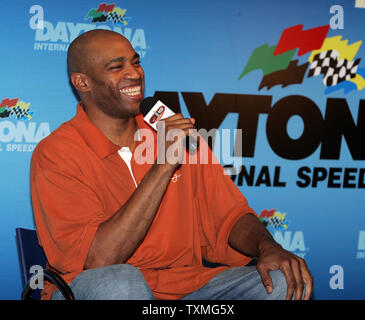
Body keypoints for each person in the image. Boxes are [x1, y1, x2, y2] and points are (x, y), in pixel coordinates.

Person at [30, 29, 313, 300]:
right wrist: (164, 165)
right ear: (83, 82)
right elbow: (100, 260)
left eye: (136, 62)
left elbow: (230, 216)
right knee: (121, 282)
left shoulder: (175, 135)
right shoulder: (57, 152)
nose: (134, 74)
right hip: (99, 286)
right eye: (117, 67)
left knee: (281, 280)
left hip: (188, 286)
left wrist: (269, 247)